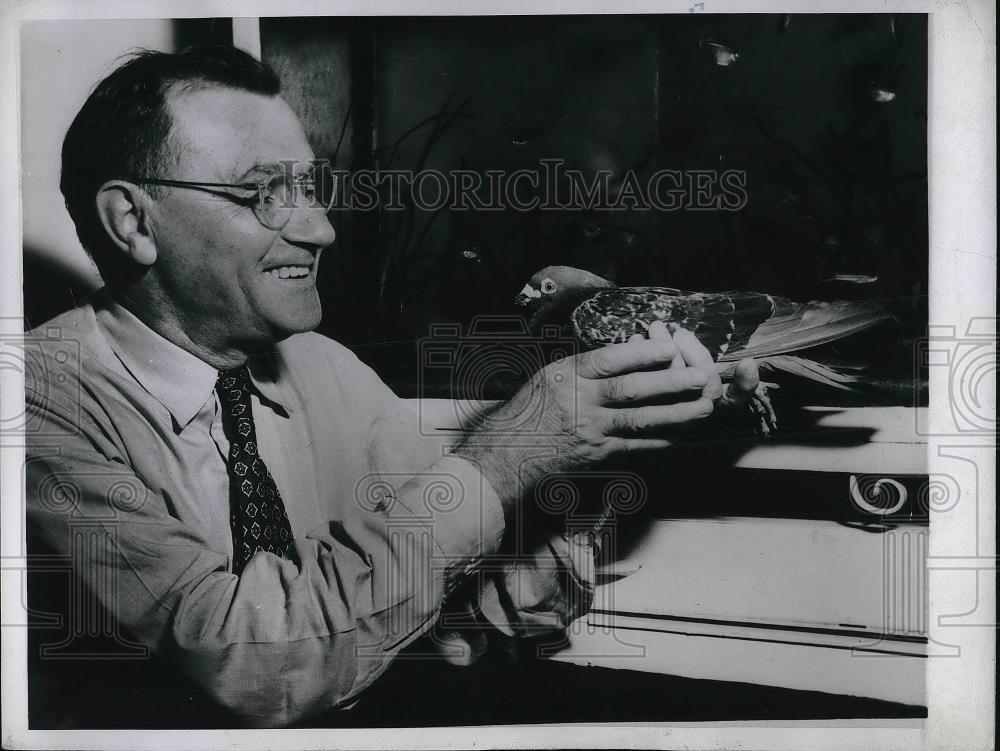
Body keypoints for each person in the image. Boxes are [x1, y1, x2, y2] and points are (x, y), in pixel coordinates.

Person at [24, 44, 762, 728]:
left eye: (311, 187)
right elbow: (258, 668)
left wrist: (614, 434)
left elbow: (482, 612)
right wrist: (508, 452)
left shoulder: (324, 368)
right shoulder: (39, 399)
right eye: (265, 194)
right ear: (132, 221)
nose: (321, 230)